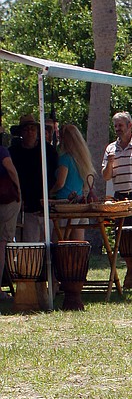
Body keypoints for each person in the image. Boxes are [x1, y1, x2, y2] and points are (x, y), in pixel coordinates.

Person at [9, 113, 58, 241]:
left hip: (46, 205)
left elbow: (56, 175)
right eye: (26, 129)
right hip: (24, 206)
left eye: (32, 128)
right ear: (20, 133)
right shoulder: (13, 152)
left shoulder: (48, 150)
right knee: (28, 246)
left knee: (47, 246)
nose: (30, 132)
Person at [50, 123, 96, 241]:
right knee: (78, 246)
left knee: (59, 242)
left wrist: (50, 192)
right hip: (79, 204)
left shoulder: (65, 158)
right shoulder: (82, 159)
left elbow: (61, 183)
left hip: (65, 205)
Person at [0, 138, 22, 290]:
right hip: (5, 201)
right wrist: (19, 190)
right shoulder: (1, 150)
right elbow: (11, 169)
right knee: (2, 243)